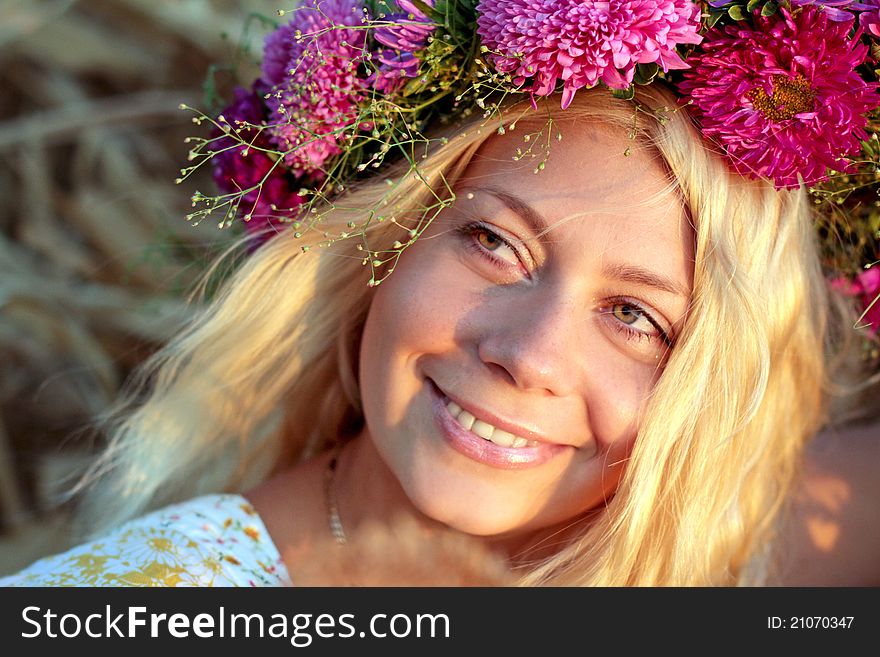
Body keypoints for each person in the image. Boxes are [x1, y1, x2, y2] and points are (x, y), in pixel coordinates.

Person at [2, 0, 879, 586]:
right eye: (495, 243)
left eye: (634, 316)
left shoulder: (704, 549)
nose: (528, 354)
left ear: (710, 393)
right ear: (386, 246)